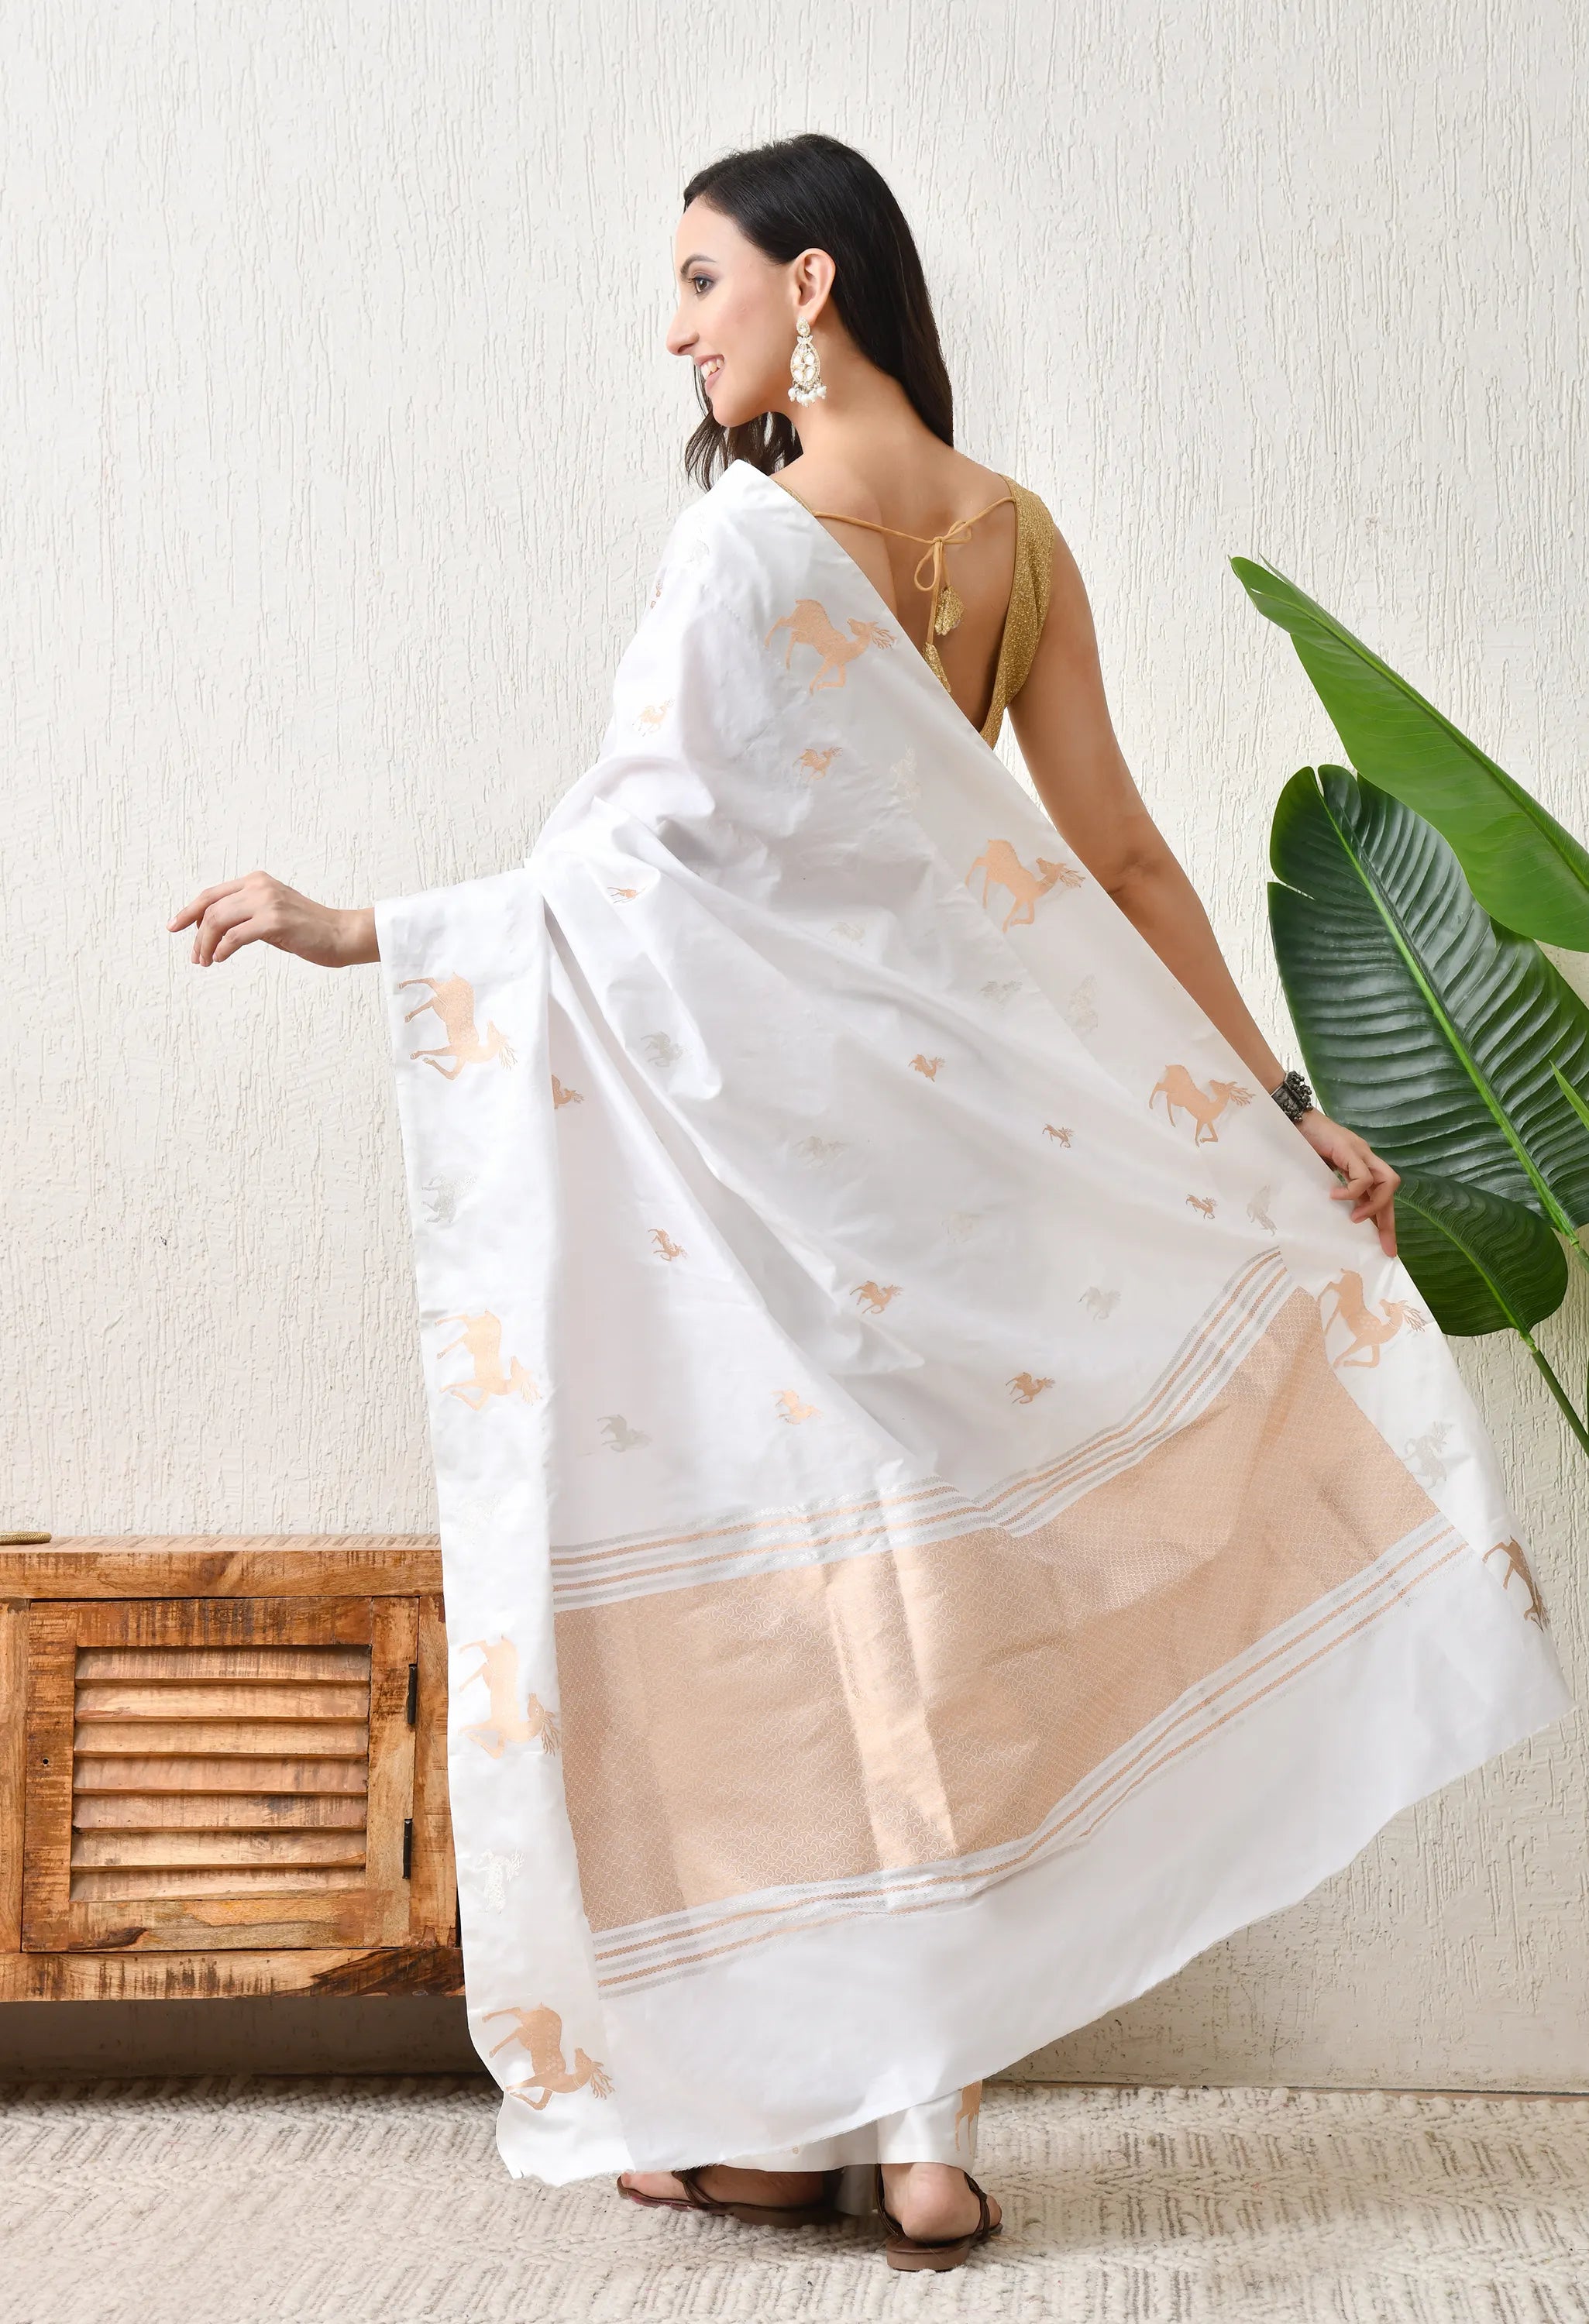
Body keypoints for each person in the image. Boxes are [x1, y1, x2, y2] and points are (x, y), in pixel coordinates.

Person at [169, 134, 1569, 2276]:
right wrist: (1269, 1102)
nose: (674, 328)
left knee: (824, 1631)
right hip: (990, 1177)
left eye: (699, 281)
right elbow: (1117, 863)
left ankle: (808, 2126)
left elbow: (625, 875)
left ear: (810, 286)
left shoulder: (742, 557)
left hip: (795, 1192)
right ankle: (911, 2131)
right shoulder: (1015, 540)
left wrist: (367, 931)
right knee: (949, 1627)